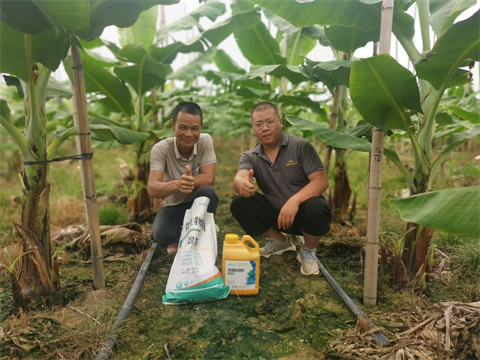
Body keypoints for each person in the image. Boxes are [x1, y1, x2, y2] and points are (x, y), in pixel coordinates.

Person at [231, 102, 331, 276]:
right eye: (259, 124)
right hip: (277, 216)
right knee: (240, 203)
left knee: (316, 206)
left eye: (270, 122)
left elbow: (321, 182)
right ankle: (280, 242)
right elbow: (239, 176)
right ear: (253, 129)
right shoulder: (250, 156)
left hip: (304, 215)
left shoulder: (300, 146)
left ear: (280, 122)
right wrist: (242, 184)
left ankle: (308, 250)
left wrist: (294, 201)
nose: (265, 128)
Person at [148, 102, 217, 256]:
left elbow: (209, 177)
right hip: (173, 205)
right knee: (161, 236)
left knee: (208, 191)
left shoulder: (205, 141)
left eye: (194, 128)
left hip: (197, 201)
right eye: (183, 127)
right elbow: (153, 188)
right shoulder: (161, 149)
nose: (188, 134)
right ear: (173, 125)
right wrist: (178, 184)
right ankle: (179, 233)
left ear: (201, 127)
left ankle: (204, 234)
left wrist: (168, 185)